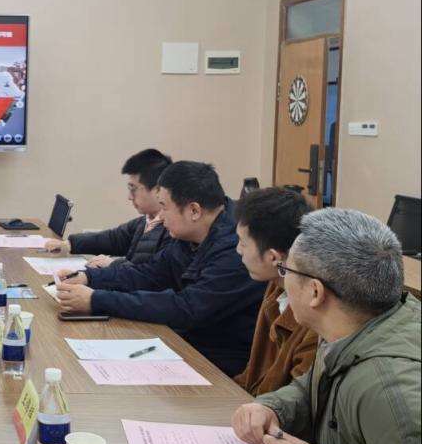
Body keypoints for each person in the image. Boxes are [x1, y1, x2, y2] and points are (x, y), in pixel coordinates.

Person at [232, 209, 420, 444]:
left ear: (315, 292)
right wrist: (273, 408)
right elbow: (315, 386)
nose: (283, 281)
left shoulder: (390, 388)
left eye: (286, 271)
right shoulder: (352, 330)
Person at [56, 161, 265, 376]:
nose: (161, 216)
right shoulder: (190, 234)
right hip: (184, 343)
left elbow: (187, 308)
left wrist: (96, 300)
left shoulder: (235, 248)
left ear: (194, 210)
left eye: (164, 207)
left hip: (218, 364)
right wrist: (89, 278)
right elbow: (149, 273)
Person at [233, 187, 317, 396]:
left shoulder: (315, 314)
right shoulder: (276, 284)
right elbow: (253, 375)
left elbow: (295, 401)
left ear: (273, 257)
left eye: (243, 243)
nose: (238, 250)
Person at [44, 148, 172, 266]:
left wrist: (112, 265)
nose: (130, 197)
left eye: (133, 189)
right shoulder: (145, 221)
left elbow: (150, 274)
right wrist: (69, 244)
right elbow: (113, 239)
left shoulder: (172, 231)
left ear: (157, 190)